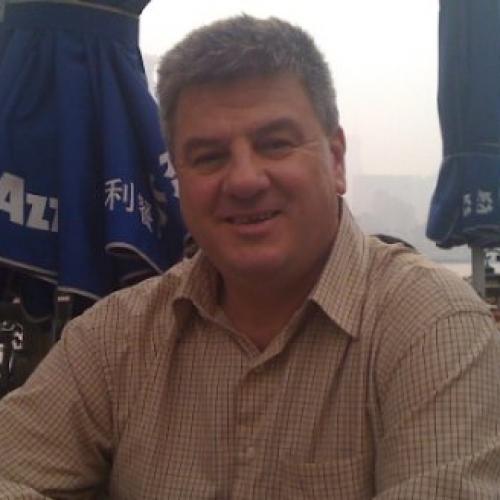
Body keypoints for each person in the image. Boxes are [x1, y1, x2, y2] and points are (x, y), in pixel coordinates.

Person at [0, 14, 499, 499]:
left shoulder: (432, 326)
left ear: (336, 160)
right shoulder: (115, 337)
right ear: (179, 179)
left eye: (275, 144)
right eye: (209, 157)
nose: (244, 180)